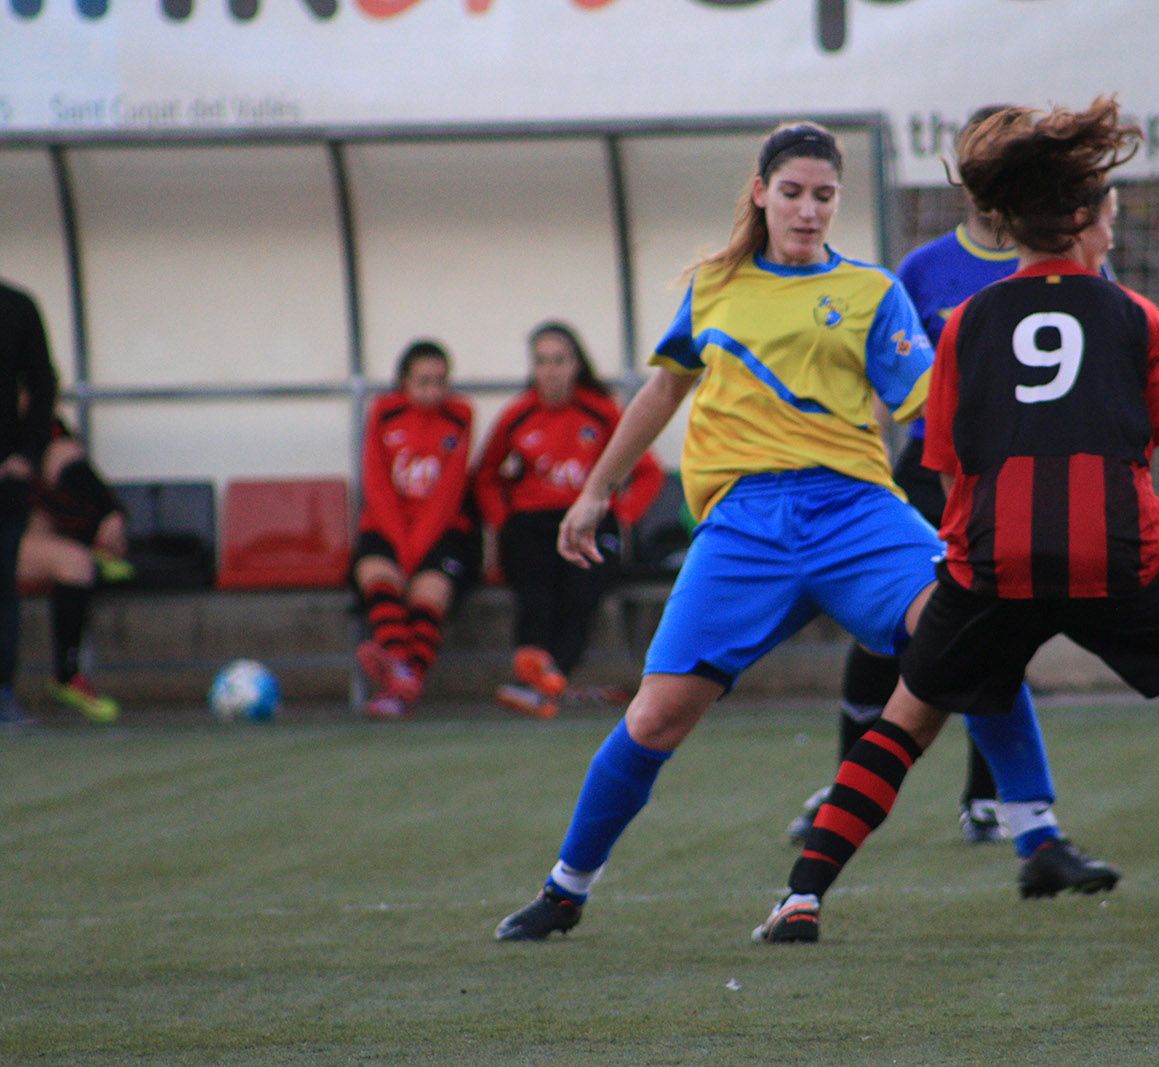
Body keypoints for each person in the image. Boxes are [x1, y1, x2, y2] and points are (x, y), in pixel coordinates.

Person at [755, 100, 1159, 944]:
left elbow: (943, 463)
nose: (1114, 231)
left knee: (905, 722)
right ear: (1083, 223)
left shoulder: (968, 324)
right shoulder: (1132, 315)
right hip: (1117, 551)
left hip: (995, 558)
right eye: (1112, 216)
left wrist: (968, 555)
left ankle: (802, 897)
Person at [495, 121, 1117, 943]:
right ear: (761, 193)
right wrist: (595, 491)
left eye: (824, 195)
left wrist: (1013, 472)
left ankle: (1038, 838)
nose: (808, 209)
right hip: (744, 526)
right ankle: (565, 889)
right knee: (654, 719)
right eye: (792, 192)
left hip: (856, 511)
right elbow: (663, 390)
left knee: (973, 632)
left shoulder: (870, 292)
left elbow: (933, 409)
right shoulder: (715, 287)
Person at [789, 105, 1122, 848]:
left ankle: (988, 799)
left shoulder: (1068, 258)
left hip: (1013, 476)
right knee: (884, 628)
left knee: (996, 628)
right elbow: (887, 376)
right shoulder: (923, 269)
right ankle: (847, 785)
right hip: (928, 471)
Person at [472, 321, 664, 718]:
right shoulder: (518, 415)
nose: (551, 371)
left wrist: (623, 515)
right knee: (535, 588)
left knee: (582, 588)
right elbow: (486, 474)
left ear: (576, 364)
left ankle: (548, 680)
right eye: (542, 361)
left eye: (560, 360)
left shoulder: (601, 411)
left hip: (588, 517)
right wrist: (502, 521)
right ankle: (538, 678)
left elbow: (648, 471)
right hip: (532, 522)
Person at [353, 340, 480, 721]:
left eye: (440, 382)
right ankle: (403, 672)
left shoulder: (460, 416)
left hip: (443, 530)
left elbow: (448, 494)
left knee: (430, 590)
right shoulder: (384, 413)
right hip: (388, 526)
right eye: (423, 382)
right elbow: (377, 485)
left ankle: (401, 681)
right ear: (404, 382)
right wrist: (401, 547)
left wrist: (414, 553)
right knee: (376, 573)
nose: (432, 391)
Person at [18, 416, 127, 723]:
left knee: (76, 562)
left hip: (22, 531)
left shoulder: (37, 420)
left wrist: (109, 513)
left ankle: (66, 676)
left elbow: (59, 457)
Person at [1, 280, 60, 727]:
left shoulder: (15, 307)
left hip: (5, 478)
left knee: (2, 583)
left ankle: (1, 691)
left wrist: (27, 454)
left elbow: (43, 383)